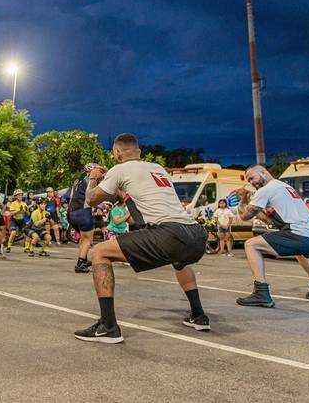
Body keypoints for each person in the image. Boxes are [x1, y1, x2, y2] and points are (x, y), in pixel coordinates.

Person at [74, 134, 210, 344]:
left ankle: (108, 327)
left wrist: (93, 177)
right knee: (179, 261)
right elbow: (129, 193)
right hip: (195, 234)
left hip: (169, 233)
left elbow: (91, 199)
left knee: (99, 252)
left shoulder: (119, 170)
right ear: (139, 151)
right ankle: (199, 315)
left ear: (116, 153)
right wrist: (110, 178)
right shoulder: (158, 168)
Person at [234, 165, 309, 308]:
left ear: (263, 172)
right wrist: (252, 203)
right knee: (298, 249)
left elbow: (245, 216)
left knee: (251, 245)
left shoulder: (266, 190)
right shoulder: (284, 187)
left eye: (252, 178)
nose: (251, 182)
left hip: (304, 237)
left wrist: (243, 199)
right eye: (249, 181)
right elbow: (268, 220)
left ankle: (261, 293)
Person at [68, 163, 102, 274]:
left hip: (71, 212)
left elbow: (71, 197)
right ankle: (80, 264)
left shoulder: (77, 181)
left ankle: (84, 258)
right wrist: (102, 205)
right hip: (83, 212)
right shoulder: (90, 181)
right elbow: (92, 197)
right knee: (88, 240)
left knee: (83, 239)